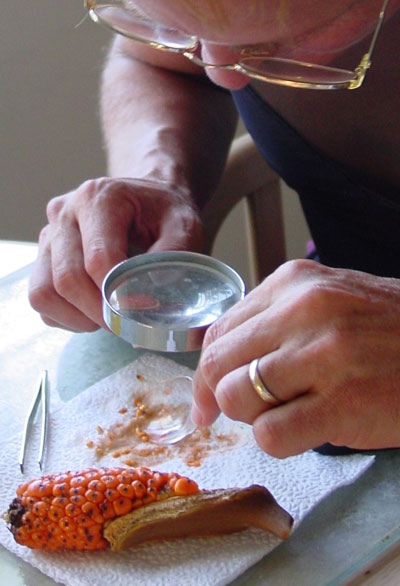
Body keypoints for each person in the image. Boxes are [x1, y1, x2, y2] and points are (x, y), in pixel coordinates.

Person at [29, 0, 400, 457]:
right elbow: (166, 67)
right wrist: (158, 174)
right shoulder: (214, 54)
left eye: (274, 42)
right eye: (172, 27)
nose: (219, 71)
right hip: (327, 361)